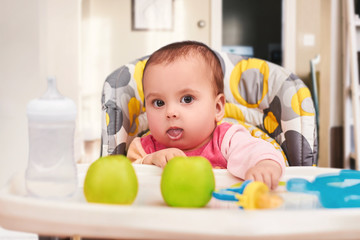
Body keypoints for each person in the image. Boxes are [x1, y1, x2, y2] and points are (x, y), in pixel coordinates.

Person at [127, 41, 286, 190]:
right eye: (158, 103)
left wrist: (265, 165)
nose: (170, 113)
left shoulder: (227, 140)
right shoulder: (144, 148)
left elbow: (256, 152)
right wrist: (151, 160)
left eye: (187, 99)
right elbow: (131, 178)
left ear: (217, 108)